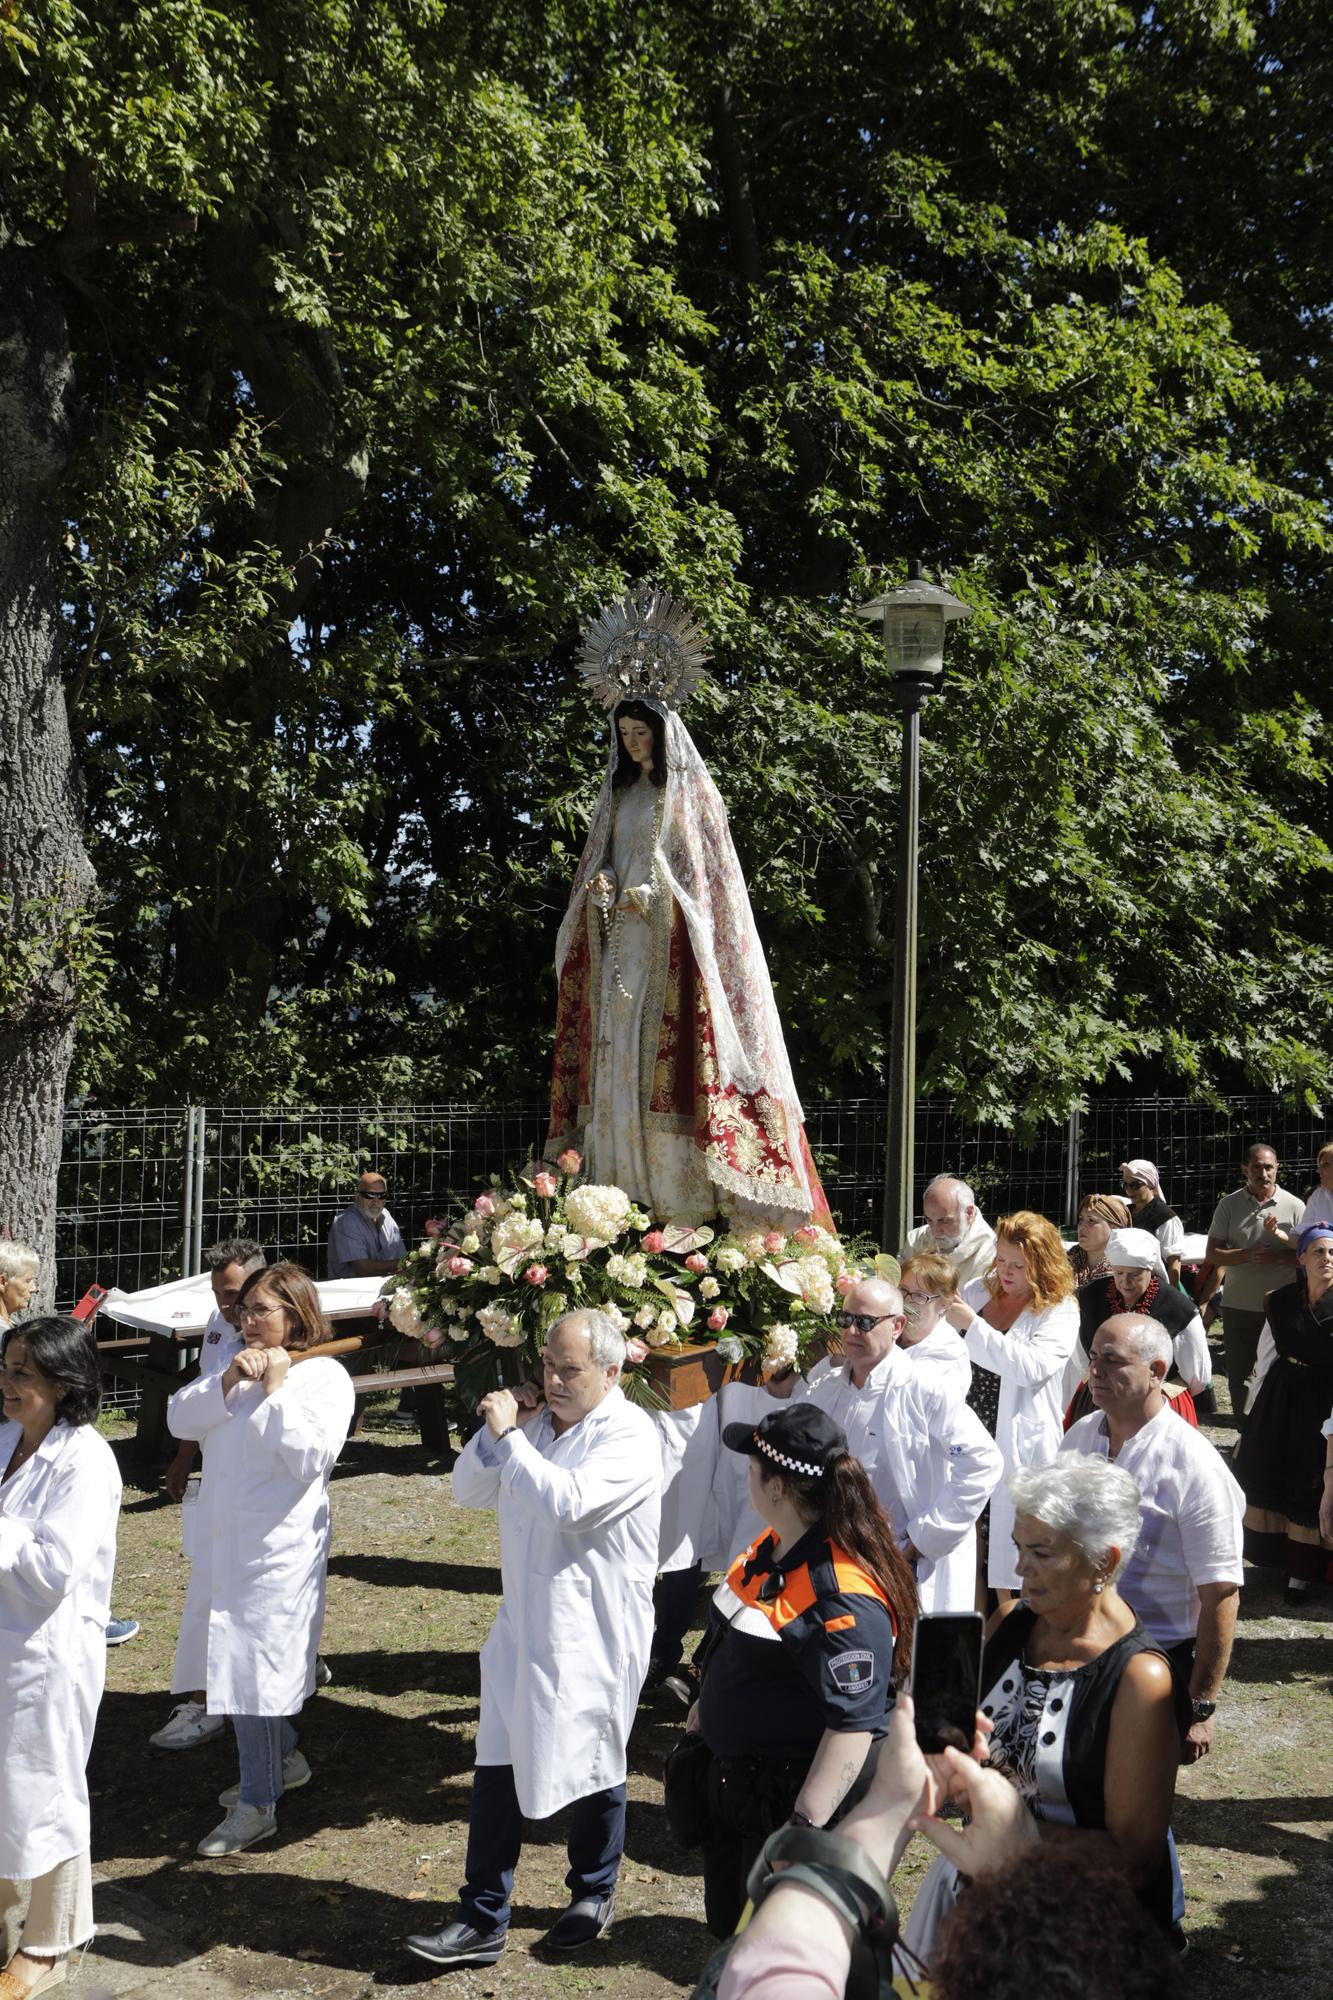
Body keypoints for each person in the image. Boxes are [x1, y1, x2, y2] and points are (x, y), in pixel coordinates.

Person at [547, 588, 829, 1230]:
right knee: (616, 1061)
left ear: (662, 733)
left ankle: (674, 1201)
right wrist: (601, 889)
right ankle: (614, 1190)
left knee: (660, 1065)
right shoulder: (615, 803)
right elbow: (603, 864)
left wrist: (661, 898)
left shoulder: (690, 801)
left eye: (641, 732)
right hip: (622, 947)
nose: (633, 744)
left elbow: (711, 891)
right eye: (624, 735)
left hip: (669, 953)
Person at [407, 1309, 661, 1969]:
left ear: (611, 1370)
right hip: (522, 1626)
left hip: (593, 1632)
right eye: (545, 1365)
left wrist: (510, 1440)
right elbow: (467, 1490)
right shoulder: (536, 1426)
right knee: (495, 1763)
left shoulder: (632, 1435)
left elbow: (569, 1504)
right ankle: (481, 1915)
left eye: (568, 1369)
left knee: (594, 1759)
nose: (551, 1379)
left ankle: (591, 1891)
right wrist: (500, 1435)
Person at [904, 1454, 1182, 1963]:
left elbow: (1133, 1862)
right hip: (982, 1893)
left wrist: (1012, 1834)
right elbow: (951, 1752)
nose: (1018, 1570)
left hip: (1081, 1935)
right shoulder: (1010, 1622)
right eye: (1017, 1548)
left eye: (1041, 1553)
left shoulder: (1141, 1680)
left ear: (1104, 1561)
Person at [689, 1403, 917, 1940]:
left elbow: (853, 1725)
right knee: (733, 1930)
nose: (745, 1475)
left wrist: (803, 1830)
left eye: (752, 1468)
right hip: (741, 1789)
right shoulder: (771, 1547)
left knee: (781, 1947)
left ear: (778, 1488)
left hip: (787, 1803)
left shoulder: (841, 1596)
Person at [166, 1262, 354, 1856]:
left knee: (252, 1674)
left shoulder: (323, 1378)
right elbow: (180, 1415)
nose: (246, 1321)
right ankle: (282, 1758)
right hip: (224, 1544)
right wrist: (227, 1384)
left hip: (278, 1552)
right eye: (243, 1310)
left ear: (295, 1315)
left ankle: (258, 1804)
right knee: (235, 1668)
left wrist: (275, 1389)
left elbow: (307, 1458)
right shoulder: (233, 1368)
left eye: (260, 1310)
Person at [0, 1317, 122, 1999]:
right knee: (2, 1789)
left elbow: (54, 1569)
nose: (7, 1382)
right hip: (2, 1642)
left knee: (45, 1791)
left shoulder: (86, 1461)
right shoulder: (6, 1440)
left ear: (63, 1383)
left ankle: (49, 1943)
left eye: (22, 1371)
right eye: (6, 1367)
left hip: (46, 1655)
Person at [1061, 1315, 1243, 1766]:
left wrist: (1199, 1705)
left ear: (1156, 1372)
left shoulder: (1193, 1464)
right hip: (1077, 1646)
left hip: (1155, 1659)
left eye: (1113, 1361)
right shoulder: (1080, 1438)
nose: (1096, 1371)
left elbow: (1220, 1591)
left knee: (1134, 1812)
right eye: (1093, 1358)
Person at [150, 1237, 265, 1751]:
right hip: (217, 1477)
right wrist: (183, 1457)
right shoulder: (220, 1324)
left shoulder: (286, 1336)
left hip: (261, 1491)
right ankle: (203, 1699)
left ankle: (228, 1702)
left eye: (236, 1293)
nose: (226, 1304)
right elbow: (200, 1395)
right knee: (207, 1592)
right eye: (219, 1292)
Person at [941, 1211, 1080, 1596]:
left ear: (1043, 1264)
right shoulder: (978, 1292)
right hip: (969, 1430)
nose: (1006, 1271)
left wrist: (972, 1325)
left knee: (1012, 1556)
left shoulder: (1059, 1308)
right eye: (1001, 1260)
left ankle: (1010, 1642)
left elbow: (1032, 1367)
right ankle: (976, 1642)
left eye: (1018, 1265)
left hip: (1016, 1439)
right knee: (968, 1551)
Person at [1235, 1220, 1333, 1604]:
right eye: (1319, 1252)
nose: (1327, 1259)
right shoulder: (1279, 1300)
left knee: (1310, 1480)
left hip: (1325, 1399)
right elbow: (1266, 1354)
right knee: (1271, 1471)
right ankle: (1273, 1554)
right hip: (1282, 1393)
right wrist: (1253, 1412)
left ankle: (1303, 1572)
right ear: (1301, 1258)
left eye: (1332, 1253)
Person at [1065, 1228, 1211, 1425]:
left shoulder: (1178, 1309)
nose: (1125, 1282)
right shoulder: (1091, 1297)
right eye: (1119, 1273)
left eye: (1134, 1275)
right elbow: (1081, 1354)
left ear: (1150, 1270)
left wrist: (1148, 1391)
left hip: (1156, 1405)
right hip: (1099, 1397)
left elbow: (1198, 1375)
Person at [1205, 1143, 1303, 1421]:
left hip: (1283, 1305)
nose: (1264, 1172)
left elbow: (1306, 1257)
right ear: (1245, 1170)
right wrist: (1246, 1254)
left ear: (1278, 1169)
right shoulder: (1229, 1204)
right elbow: (1212, 1254)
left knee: (1283, 1370)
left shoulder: (1295, 1206)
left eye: (1269, 1167)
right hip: (1239, 1305)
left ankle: (1278, 1429)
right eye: (1257, 1167)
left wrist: (1275, 1257)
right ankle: (1244, 1432)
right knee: (1240, 1372)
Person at [899, 1175, 996, 1291]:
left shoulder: (990, 1252)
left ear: (969, 1214)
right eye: (929, 1220)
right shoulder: (916, 1239)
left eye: (943, 1221)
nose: (935, 1231)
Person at [898, 1249, 972, 1400]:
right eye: (903, 1290)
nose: (907, 1301)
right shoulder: (888, 1327)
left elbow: (909, 1392)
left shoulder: (950, 1350)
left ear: (945, 1304)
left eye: (920, 1296)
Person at [326, 1171, 406, 1280]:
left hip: (385, 1286)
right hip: (350, 1290)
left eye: (381, 1195)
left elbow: (402, 1255)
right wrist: (401, 1264)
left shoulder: (386, 1216)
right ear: (356, 1196)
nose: (376, 1201)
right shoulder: (346, 1221)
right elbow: (362, 1268)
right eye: (370, 1195)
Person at [1120, 1160, 1186, 1287]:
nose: (1128, 1190)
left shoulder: (1165, 1217)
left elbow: (1173, 1261)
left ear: (1150, 1184)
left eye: (1135, 1185)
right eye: (1125, 1184)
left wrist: (1169, 1295)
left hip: (1154, 1286)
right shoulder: (1126, 1211)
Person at [1067, 1192, 1132, 1285]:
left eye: (1091, 1220)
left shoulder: (1126, 1267)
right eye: (1081, 1219)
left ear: (1114, 1227)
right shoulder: (1067, 1260)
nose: (1081, 1226)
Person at [0, 1242, 38, 1329]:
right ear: (2, 1282)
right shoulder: (3, 1336)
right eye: (28, 1281)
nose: (34, 1289)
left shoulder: (11, 1321)